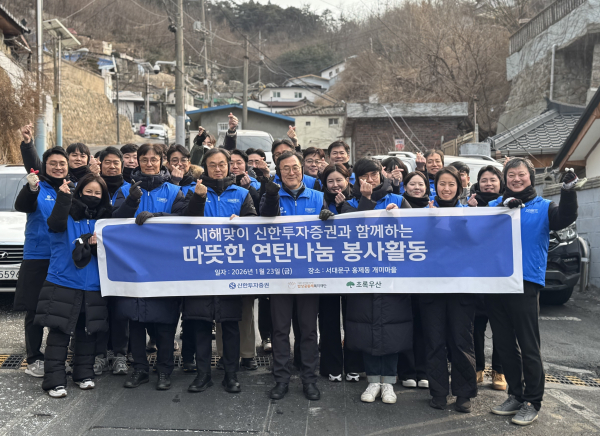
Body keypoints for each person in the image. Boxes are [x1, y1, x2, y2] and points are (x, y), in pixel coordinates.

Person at [487, 158, 578, 426]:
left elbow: (565, 217)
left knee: (528, 344)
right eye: (511, 175)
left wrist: (568, 191)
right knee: (504, 343)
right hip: (496, 281)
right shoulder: (495, 206)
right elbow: (473, 227)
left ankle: (532, 401)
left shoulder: (544, 207)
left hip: (525, 282)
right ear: (505, 179)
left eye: (521, 175)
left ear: (531, 177)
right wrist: (501, 207)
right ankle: (516, 394)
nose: (516, 179)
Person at [34, 173, 137, 398]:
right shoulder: (67, 213)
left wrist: (132, 201)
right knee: (59, 334)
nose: (93, 196)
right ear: (79, 192)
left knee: (87, 333)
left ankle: (83, 375)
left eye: (97, 193)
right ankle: (54, 381)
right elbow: (55, 224)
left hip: (94, 285)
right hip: (63, 281)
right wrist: (63, 198)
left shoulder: (104, 221)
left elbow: (121, 222)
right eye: (88, 191)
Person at [183, 148, 257, 393]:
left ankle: (231, 375)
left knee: (230, 325)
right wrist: (198, 198)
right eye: (212, 164)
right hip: (199, 269)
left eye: (222, 164)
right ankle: (203, 375)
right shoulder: (193, 190)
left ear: (229, 166)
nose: (217, 169)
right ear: (205, 167)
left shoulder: (242, 193)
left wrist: (243, 223)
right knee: (201, 324)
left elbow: (254, 226)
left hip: (230, 269)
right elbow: (185, 223)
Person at [116, 143, 188, 391]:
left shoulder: (174, 191)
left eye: (154, 159)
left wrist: (158, 217)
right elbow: (113, 220)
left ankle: (165, 370)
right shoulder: (125, 189)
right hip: (132, 265)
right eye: (144, 159)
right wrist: (131, 201)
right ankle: (140, 369)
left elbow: (184, 219)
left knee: (166, 321)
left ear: (161, 161)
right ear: (137, 161)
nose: (149, 164)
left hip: (164, 266)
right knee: (135, 320)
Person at [260, 151, 324, 401]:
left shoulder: (318, 196)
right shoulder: (272, 195)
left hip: (309, 274)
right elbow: (265, 217)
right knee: (280, 331)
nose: (291, 172)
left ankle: (309, 380)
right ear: (278, 171)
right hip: (280, 275)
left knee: (308, 331)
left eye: (295, 167)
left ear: (302, 169)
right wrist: (271, 195)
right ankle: (281, 380)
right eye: (285, 168)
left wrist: (329, 217)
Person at [419, 167, 477, 413]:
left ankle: (464, 393)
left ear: (459, 187)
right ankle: (438, 392)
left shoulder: (470, 213)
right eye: (442, 184)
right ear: (435, 187)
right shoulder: (424, 213)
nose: (446, 188)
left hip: (461, 288)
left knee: (461, 341)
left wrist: (467, 219)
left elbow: (476, 244)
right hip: (431, 289)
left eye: (451, 184)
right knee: (434, 342)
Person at [13, 147, 69, 378]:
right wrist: (32, 187)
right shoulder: (37, 187)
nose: (58, 167)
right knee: (34, 309)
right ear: (45, 166)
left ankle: (57, 358)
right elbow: (22, 205)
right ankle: (34, 358)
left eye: (62, 163)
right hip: (38, 257)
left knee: (60, 309)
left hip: (63, 257)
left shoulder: (72, 188)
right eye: (52, 163)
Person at [92, 147, 140, 377]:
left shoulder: (132, 189)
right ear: (100, 164)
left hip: (123, 259)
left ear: (122, 165)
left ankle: (120, 354)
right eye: (107, 162)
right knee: (99, 308)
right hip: (96, 258)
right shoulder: (92, 187)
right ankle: (100, 354)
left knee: (121, 309)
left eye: (116, 163)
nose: (112, 166)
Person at [317, 164, 364, 383]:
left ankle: (354, 366)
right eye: (330, 181)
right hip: (326, 268)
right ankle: (331, 366)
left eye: (339, 180)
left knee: (353, 318)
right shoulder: (319, 200)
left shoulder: (357, 198)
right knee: (329, 320)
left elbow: (363, 222)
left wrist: (343, 207)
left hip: (353, 267)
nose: (335, 185)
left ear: (348, 180)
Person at [465, 165, 507, 391]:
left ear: (501, 183)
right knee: (476, 326)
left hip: (501, 274)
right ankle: (478, 368)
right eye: (484, 180)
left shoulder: (510, 204)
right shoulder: (469, 204)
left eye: (493, 180)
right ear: (478, 183)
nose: (488, 184)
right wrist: (470, 211)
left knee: (501, 326)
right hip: (477, 275)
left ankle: (499, 371)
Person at [395, 171, 430, 389]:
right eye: (412, 184)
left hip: (427, 277)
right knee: (405, 323)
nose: (417, 188)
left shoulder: (434, 208)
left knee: (425, 325)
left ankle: (424, 371)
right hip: (403, 275)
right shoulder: (397, 207)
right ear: (404, 187)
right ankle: (406, 371)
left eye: (421, 184)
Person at [19, 124, 99, 183]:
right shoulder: (58, 173)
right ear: (66, 158)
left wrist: (93, 175)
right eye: (74, 155)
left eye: (82, 156)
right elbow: (35, 165)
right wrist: (28, 143)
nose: (78, 159)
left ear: (88, 159)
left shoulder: (94, 174)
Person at [340, 158, 411, 213]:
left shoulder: (399, 200)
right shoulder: (350, 204)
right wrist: (366, 198)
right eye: (364, 176)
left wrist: (399, 215)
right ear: (357, 179)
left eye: (374, 175)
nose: (370, 180)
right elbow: (358, 224)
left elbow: (411, 223)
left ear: (381, 176)